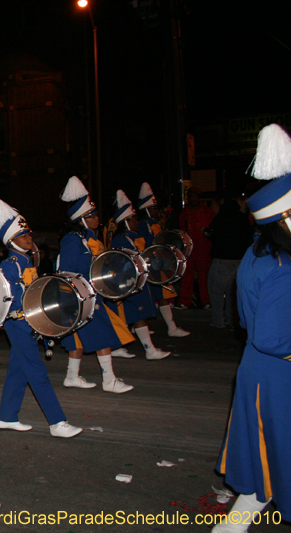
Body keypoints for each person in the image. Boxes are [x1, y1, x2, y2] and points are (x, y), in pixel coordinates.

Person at [214, 124, 291, 532]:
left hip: (262, 370)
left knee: (267, 468)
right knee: (274, 461)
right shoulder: (281, 267)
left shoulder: (260, 253)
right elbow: (273, 337)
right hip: (278, 374)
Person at [0, 198, 82, 438]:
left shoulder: (26, 260)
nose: (29, 238)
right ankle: (57, 422)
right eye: (22, 235)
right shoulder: (11, 265)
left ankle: (7, 416)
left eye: (29, 234)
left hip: (27, 321)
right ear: (10, 240)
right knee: (36, 371)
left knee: (18, 369)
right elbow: (11, 298)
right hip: (18, 322)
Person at [58, 176, 135, 393]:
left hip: (94, 293)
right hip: (80, 295)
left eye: (96, 215)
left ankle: (72, 376)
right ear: (80, 219)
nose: (96, 218)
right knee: (101, 334)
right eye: (91, 216)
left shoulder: (94, 238)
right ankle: (109, 380)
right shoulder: (72, 240)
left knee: (78, 339)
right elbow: (67, 271)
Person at [108, 190, 170, 360]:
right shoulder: (121, 239)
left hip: (137, 280)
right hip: (128, 282)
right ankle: (149, 350)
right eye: (133, 219)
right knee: (137, 315)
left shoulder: (132, 237)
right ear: (126, 222)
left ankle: (117, 346)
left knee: (132, 316)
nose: (136, 222)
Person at [137, 182, 190, 337]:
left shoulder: (154, 224)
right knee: (157, 296)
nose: (156, 210)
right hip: (150, 265)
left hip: (157, 264)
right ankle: (167, 327)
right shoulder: (143, 225)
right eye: (153, 208)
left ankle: (168, 326)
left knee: (163, 296)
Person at [206, 193, 253, 329]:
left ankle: (218, 321)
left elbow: (213, 234)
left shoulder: (220, 218)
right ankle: (231, 320)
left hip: (222, 259)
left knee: (216, 293)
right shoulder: (242, 218)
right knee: (232, 293)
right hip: (239, 260)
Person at [177, 187, 215, 309]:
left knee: (204, 277)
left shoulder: (208, 211)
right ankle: (185, 301)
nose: (193, 199)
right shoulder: (184, 212)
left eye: (196, 196)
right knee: (187, 276)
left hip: (204, 248)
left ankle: (207, 301)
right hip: (189, 249)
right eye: (191, 196)